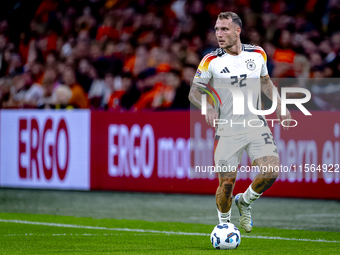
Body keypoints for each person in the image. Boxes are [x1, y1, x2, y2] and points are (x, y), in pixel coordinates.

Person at [188, 12, 292, 233]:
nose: (219, 34)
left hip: (256, 125)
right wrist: (206, 106)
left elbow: (266, 84)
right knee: (226, 185)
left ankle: (244, 201)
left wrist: (281, 106)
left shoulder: (257, 54)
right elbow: (194, 92)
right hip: (227, 130)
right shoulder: (211, 60)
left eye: (224, 29)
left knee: (271, 172)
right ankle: (224, 224)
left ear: (238, 31)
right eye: (216, 29)